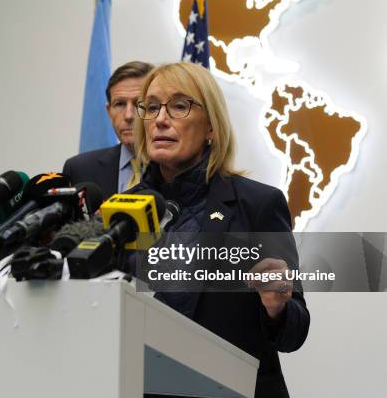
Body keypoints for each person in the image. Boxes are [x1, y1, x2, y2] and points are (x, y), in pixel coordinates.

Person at [132, 62, 309, 398]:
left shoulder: (257, 204)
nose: (160, 119)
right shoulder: (121, 211)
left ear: (211, 126)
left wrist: (278, 306)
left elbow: (295, 332)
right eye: (152, 107)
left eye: (179, 106)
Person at [63, 61, 153, 198]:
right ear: (109, 111)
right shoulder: (79, 169)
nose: (129, 115)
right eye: (120, 104)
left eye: (138, 103)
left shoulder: (174, 169)